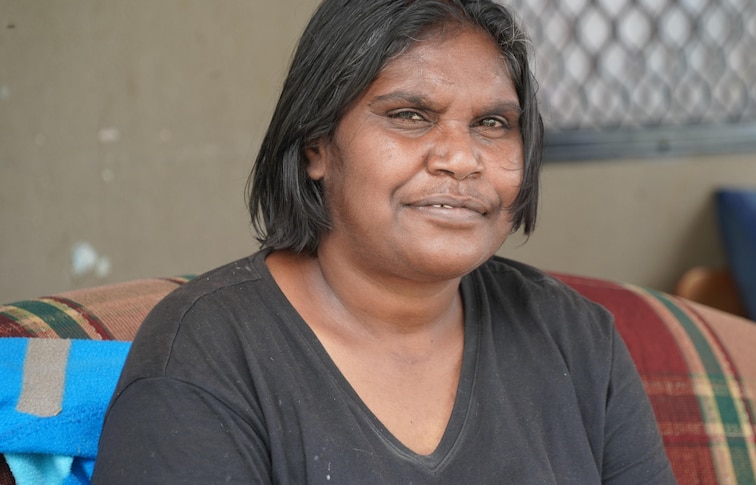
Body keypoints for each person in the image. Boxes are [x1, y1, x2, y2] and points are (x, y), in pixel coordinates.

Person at [92, 0, 675, 483]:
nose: (461, 158)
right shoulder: (208, 353)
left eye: (493, 124)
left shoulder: (574, 337)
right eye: (410, 115)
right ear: (316, 146)